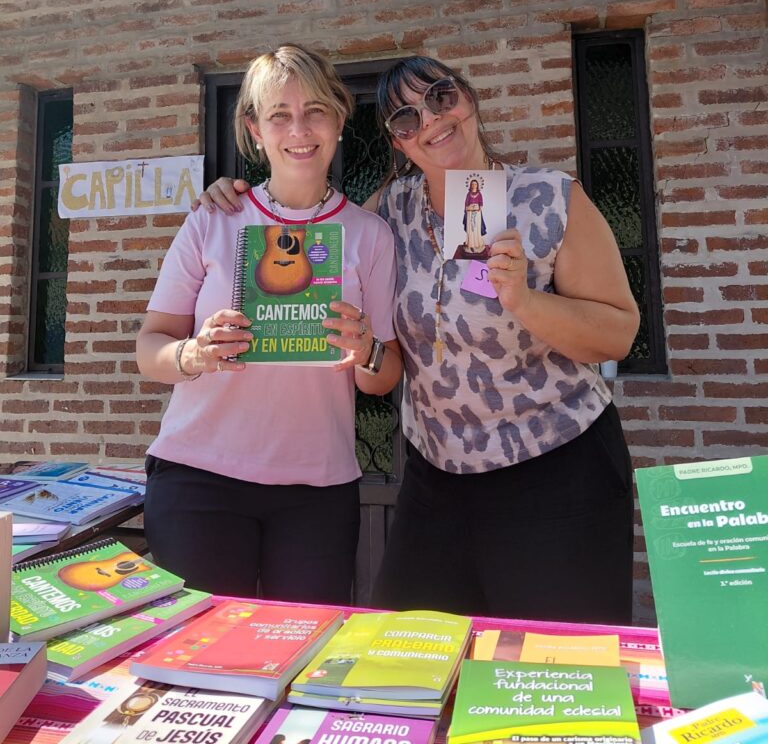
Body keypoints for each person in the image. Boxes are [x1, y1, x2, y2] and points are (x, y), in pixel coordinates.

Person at [196, 55, 640, 624]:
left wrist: (526, 301)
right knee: (405, 653)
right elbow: (305, 227)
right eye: (406, 119)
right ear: (397, 142)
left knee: (551, 663)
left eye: (440, 97)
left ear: (468, 97)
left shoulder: (549, 198)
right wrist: (233, 200)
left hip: (555, 468)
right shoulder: (391, 213)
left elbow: (618, 334)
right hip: (438, 477)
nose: (429, 121)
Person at [136, 44, 402, 604]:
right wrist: (194, 354)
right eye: (279, 114)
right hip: (198, 479)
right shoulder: (213, 219)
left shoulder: (369, 235)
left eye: (315, 111)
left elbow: (383, 378)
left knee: (302, 646)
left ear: (339, 120)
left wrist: (366, 350)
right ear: (255, 130)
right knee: (200, 651)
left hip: (317, 488)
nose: (298, 129)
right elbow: (149, 349)